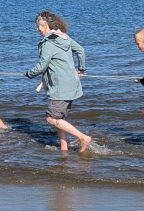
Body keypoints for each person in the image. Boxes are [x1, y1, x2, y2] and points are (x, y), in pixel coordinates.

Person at [23, 11, 92, 152]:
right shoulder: (64, 37)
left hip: (61, 87)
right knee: (60, 119)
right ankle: (64, 146)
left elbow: (42, 66)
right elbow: (81, 51)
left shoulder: (47, 43)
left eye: (38, 26)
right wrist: (82, 69)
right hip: (72, 84)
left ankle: (83, 137)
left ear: (46, 25)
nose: (37, 29)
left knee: (51, 118)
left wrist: (29, 74)